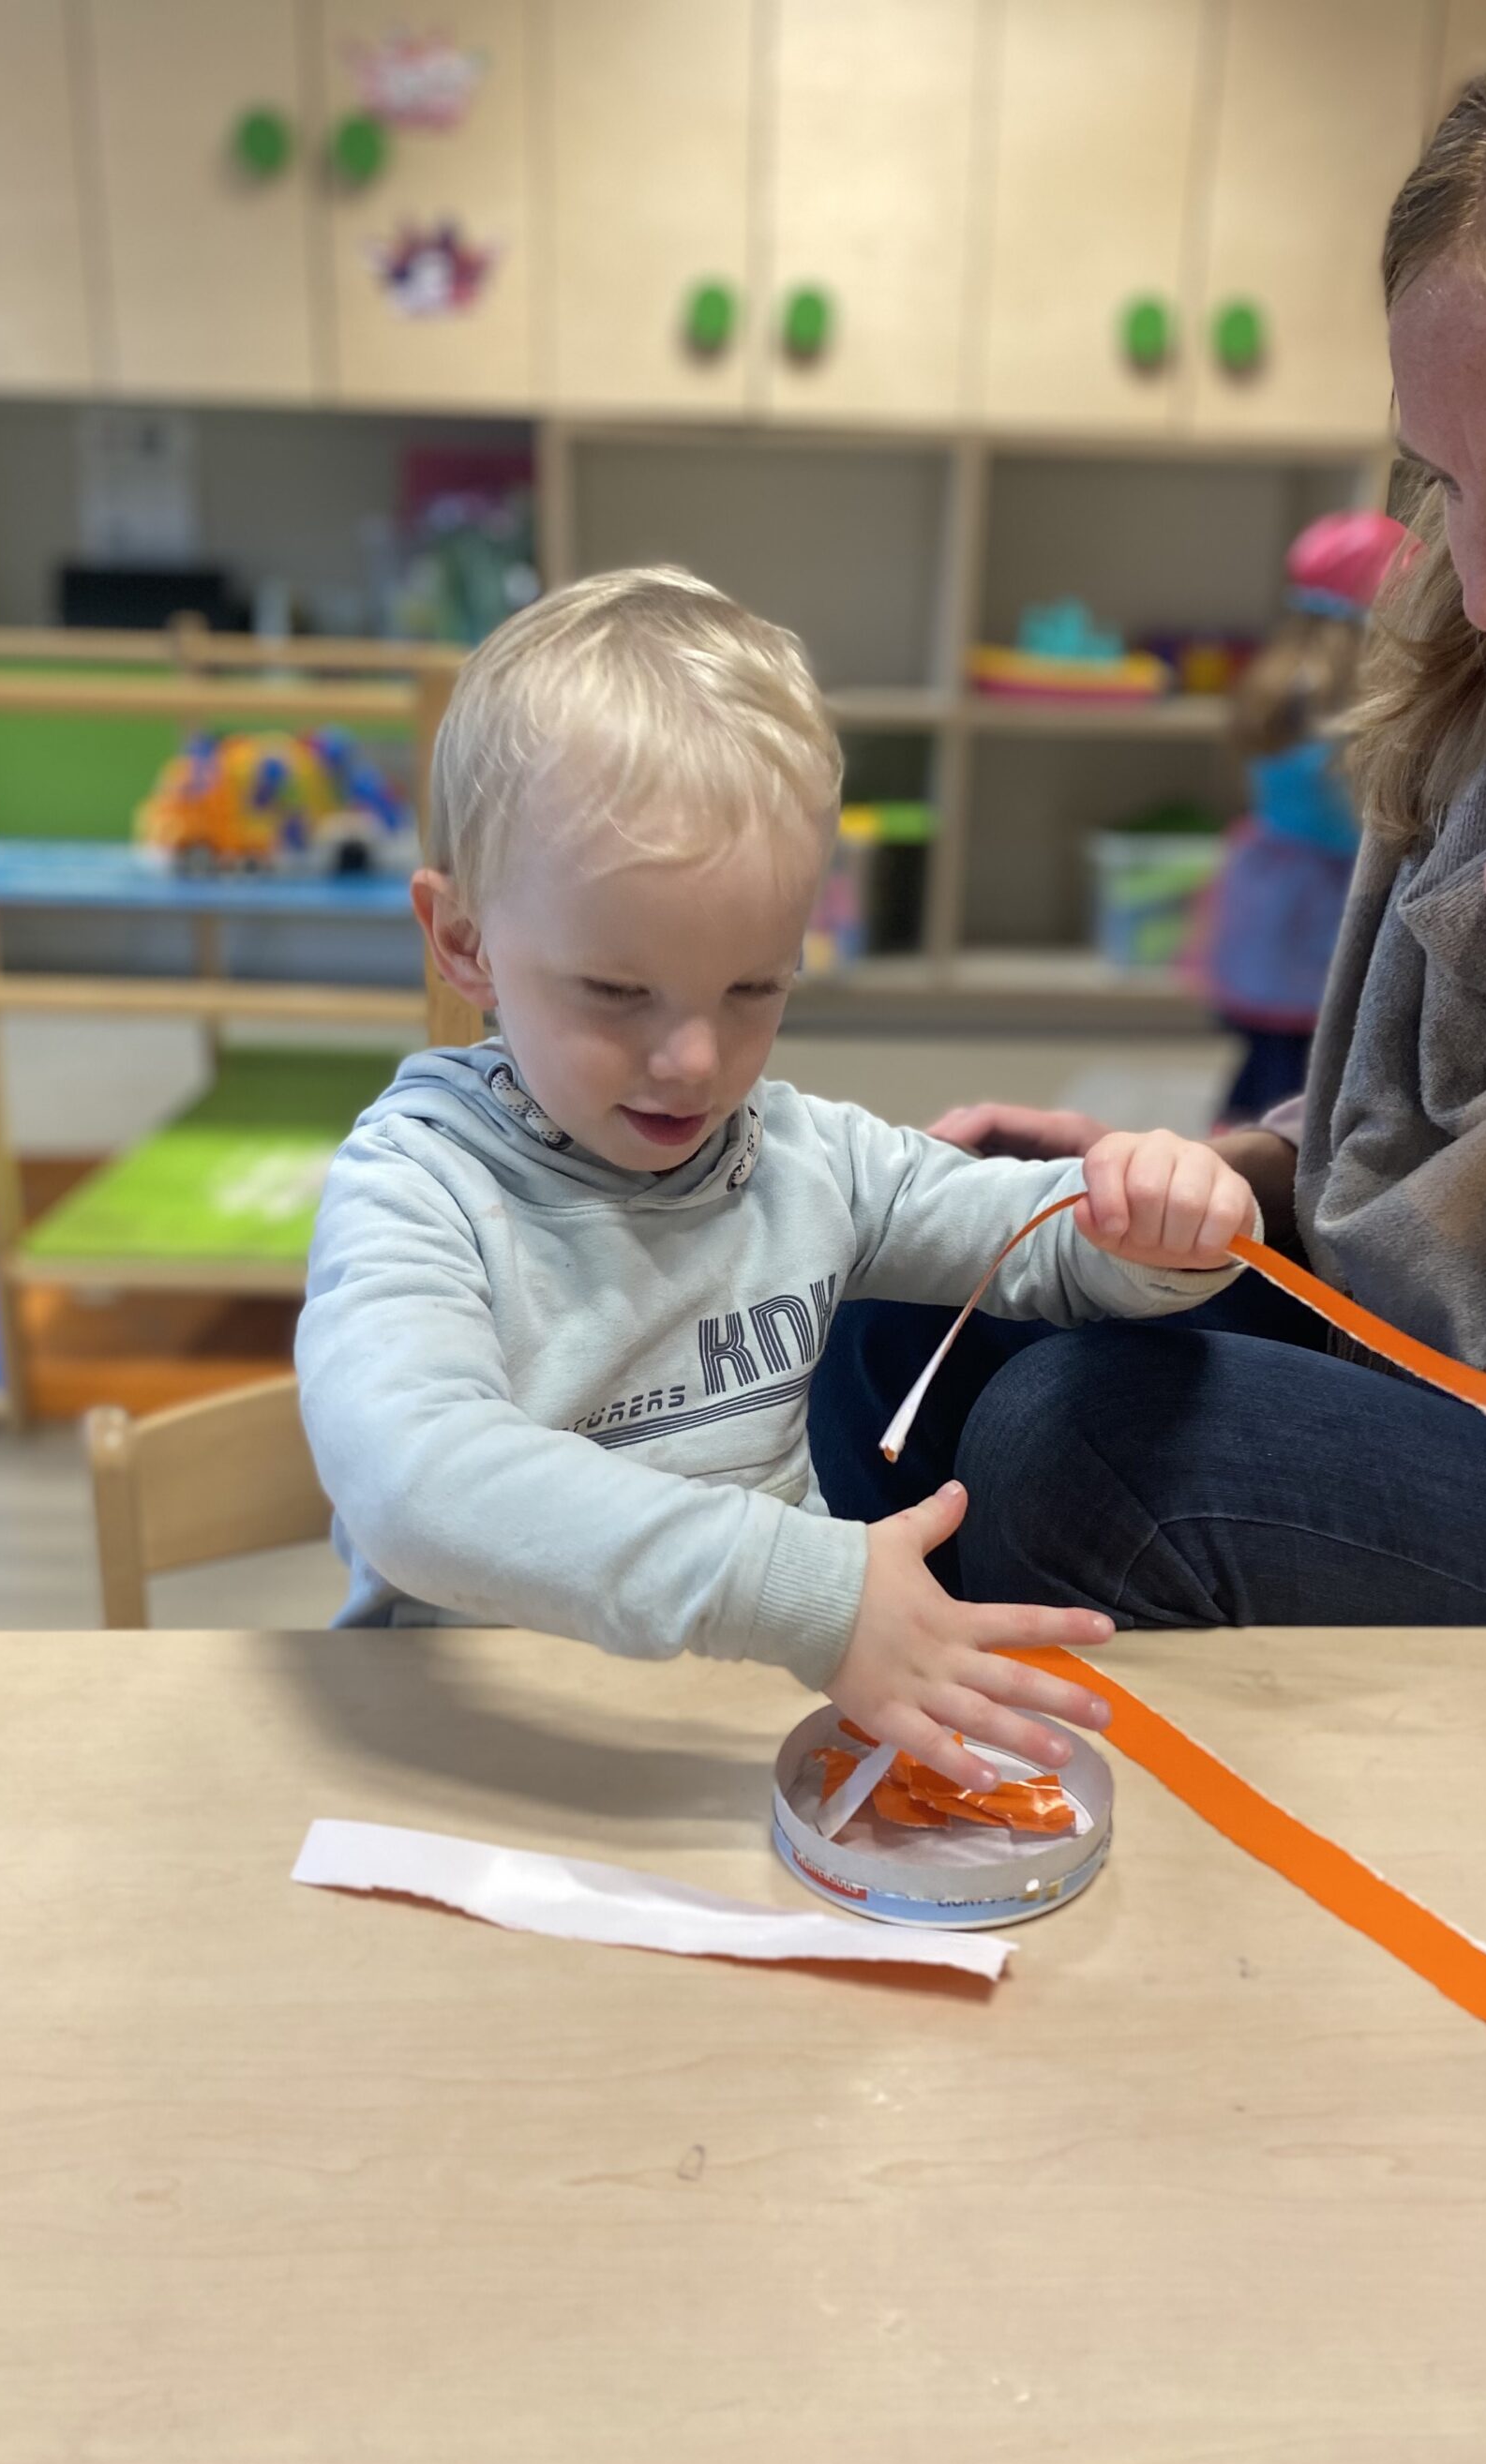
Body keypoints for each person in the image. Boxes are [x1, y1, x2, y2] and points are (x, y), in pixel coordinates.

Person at [812, 0, 1486, 1659]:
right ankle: (933, 1762)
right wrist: (1233, 1184)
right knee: (913, 1291)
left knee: (1093, 1454)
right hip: (1471, 1388)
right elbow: (1449, 1168)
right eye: (1446, 481)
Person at [297, 565, 1262, 1790]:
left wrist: (1155, 1219)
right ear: (464, 942)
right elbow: (413, 1481)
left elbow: (1043, 1243)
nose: (695, 1062)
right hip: (482, 1766)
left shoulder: (802, 1156)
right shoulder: (417, 1185)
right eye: (618, 992)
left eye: (754, 987)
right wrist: (800, 1586)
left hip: (730, 1752)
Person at [1197, 509, 1411, 1125]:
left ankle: (1233, 1149)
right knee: (1297, 1076)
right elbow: (1352, 822)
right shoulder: (1346, 699)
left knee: (1265, 1062)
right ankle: (1252, 1167)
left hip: (1268, 888)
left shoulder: (1280, 676)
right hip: (1320, 906)